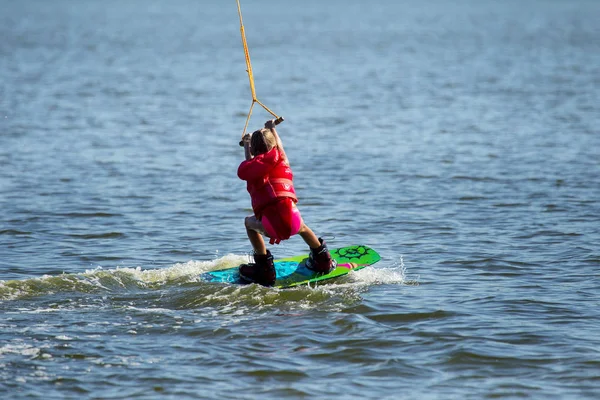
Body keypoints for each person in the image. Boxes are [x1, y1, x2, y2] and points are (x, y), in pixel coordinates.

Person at [237, 119, 335, 286]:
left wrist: (246, 145)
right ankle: (322, 259)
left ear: (253, 150)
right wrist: (272, 129)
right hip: (294, 222)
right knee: (302, 226)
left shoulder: (252, 173)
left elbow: (250, 165)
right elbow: (279, 148)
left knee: (248, 223)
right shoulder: (282, 161)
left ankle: (264, 269)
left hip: (271, 226)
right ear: (274, 145)